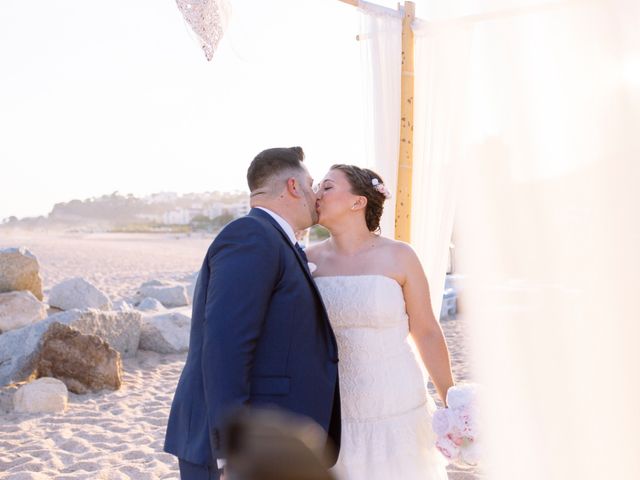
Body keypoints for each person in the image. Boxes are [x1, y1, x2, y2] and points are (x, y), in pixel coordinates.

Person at [164, 147, 341, 480]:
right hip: (238, 448)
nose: (316, 193)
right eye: (311, 183)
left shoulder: (275, 240)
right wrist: (230, 455)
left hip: (267, 443)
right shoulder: (252, 236)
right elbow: (225, 347)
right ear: (293, 187)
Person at [308, 164, 454, 480]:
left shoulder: (400, 256)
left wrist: (451, 400)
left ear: (357, 201)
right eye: (317, 185)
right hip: (335, 410)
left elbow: (426, 331)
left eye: (328, 186)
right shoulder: (308, 260)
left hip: (397, 402)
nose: (317, 193)